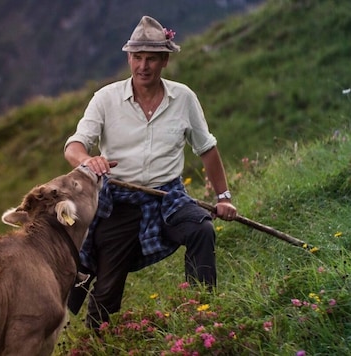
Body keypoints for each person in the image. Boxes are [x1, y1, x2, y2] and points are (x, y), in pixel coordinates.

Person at [63, 15, 238, 330]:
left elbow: (207, 149)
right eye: (137, 57)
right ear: (129, 58)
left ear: (165, 60)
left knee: (201, 229)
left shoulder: (183, 98)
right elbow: (74, 145)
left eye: (152, 59)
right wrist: (87, 160)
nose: (143, 66)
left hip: (168, 195)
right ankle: (95, 342)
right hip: (119, 201)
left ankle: (203, 316)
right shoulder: (105, 99)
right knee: (106, 287)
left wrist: (223, 197)